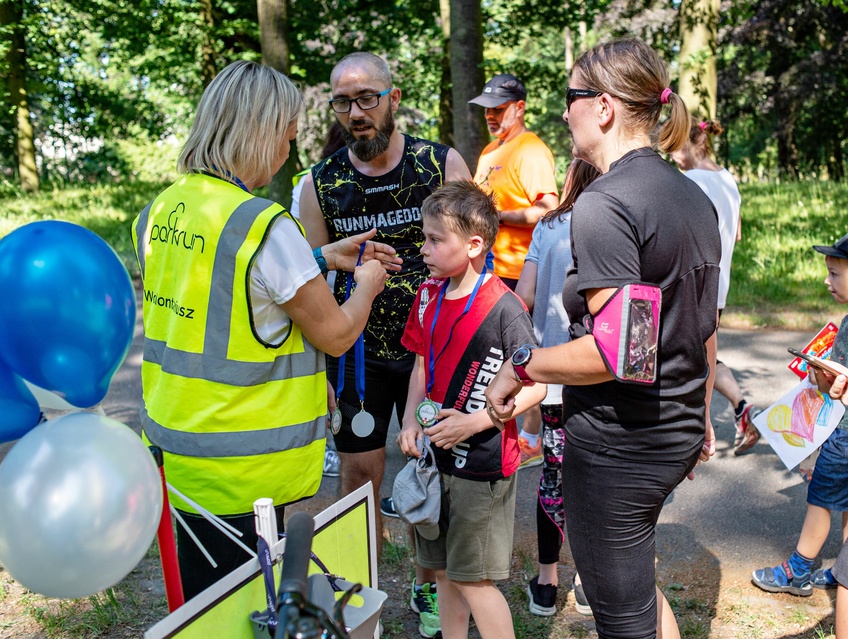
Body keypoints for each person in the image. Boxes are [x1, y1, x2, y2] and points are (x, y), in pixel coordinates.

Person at [130, 60, 395, 600]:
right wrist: (366, 281)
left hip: (178, 456)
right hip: (245, 471)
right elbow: (338, 334)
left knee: (202, 605)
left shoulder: (162, 210)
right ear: (260, 132)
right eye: (287, 136)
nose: (288, 152)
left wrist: (317, 256)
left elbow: (222, 294)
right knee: (246, 607)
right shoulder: (264, 224)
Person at [485, 38, 721, 639]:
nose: (564, 112)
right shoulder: (692, 196)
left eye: (571, 98)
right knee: (637, 588)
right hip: (671, 430)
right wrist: (697, 412)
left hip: (622, 444)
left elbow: (621, 353)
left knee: (622, 616)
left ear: (606, 107)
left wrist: (521, 364)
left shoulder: (606, 203)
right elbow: (701, 325)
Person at [299, 51, 471, 638]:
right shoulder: (321, 184)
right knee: (358, 477)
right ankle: (360, 589)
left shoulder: (440, 163)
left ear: (393, 98)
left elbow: (477, 259)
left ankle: (432, 587)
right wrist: (316, 368)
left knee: (436, 470)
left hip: (437, 357)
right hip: (357, 361)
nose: (355, 112)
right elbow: (311, 285)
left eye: (367, 98)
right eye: (343, 102)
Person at [398, 180, 546, 639]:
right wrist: (408, 420)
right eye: (425, 237)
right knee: (443, 572)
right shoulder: (428, 294)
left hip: (482, 466)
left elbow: (536, 385)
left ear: (475, 244)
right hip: (435, 458)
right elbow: (421, 362)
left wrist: (478, 421)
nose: (424, 248)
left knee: (474, 580)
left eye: (435, 239)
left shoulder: (505, 307)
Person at [514, 159, 599, 617]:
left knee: (552, 475)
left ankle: (547, 583)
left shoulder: (547, 228)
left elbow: (523, 296)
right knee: (593, 477)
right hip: (598, 373)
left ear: (570, 178)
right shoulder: (611, 221)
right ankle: (588, 580)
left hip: (551, 378)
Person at [468, 73, 559, 468]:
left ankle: (533, 438)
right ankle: (509, 431)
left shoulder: (531, 149)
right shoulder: (491, 150)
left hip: (521, 272)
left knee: (525, 355)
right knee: (498, 357)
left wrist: (496, 216)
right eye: (487, 109)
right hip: (489, 269)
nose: (490, 115)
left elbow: (549, 209)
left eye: (498, 109)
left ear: (519, 108)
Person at [752, 232, 848, 596]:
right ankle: (842, 570)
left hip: (844, 438)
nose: (827, 281)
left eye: (835, 273)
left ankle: (798, 570)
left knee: (821, 499)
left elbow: (832, 387)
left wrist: (817, 372)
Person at [668, 116, 760, 455]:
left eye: (675, 148)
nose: (673, 156)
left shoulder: (689, 180)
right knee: (705, 352)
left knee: (695, 356)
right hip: (720, 283)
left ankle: (697, 429)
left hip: (693, 282)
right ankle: (741, 409)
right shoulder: (728, 180)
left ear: (691, 145)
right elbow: (735, 233)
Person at [291, 120, 347, 478]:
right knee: (327, 364)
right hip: (326, 291)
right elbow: (303, 253)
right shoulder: (312, 185)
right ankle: (328, 442)